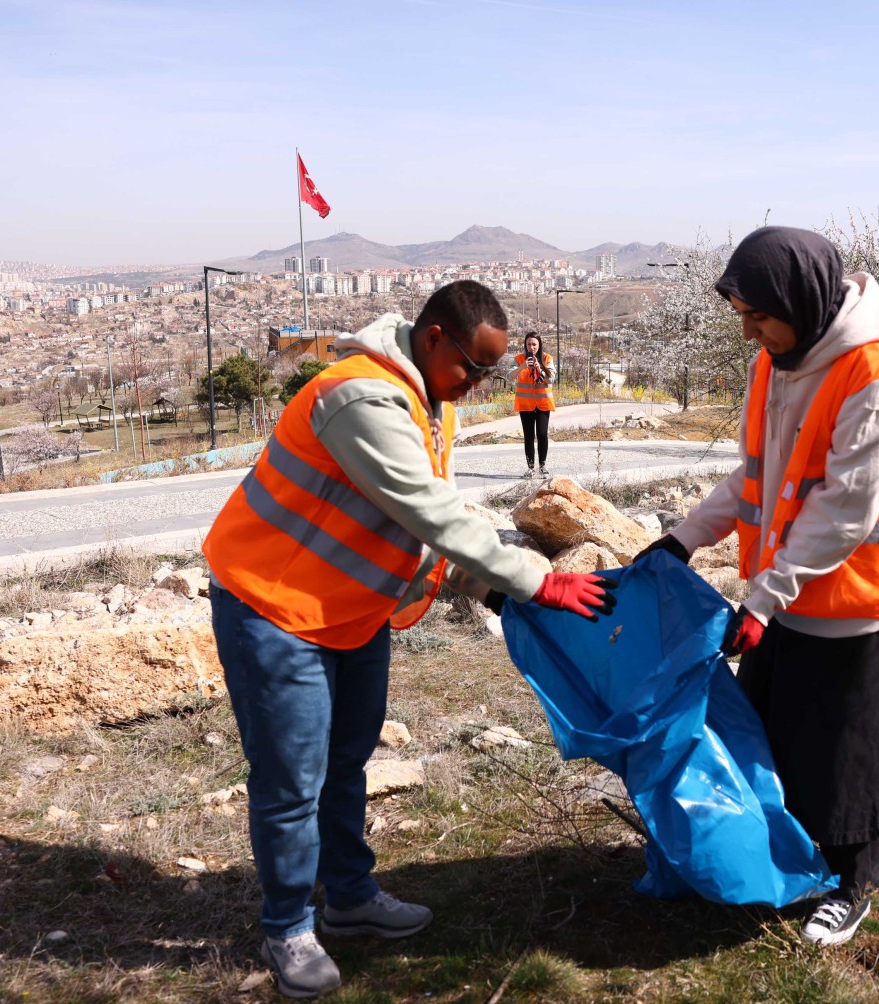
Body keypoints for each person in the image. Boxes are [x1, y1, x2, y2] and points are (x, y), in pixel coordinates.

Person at [203, 280, 616, 998]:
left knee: (346, 760)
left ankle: (351, 899)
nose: (481, 384)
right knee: (292, 779)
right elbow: (430, 512)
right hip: (274, 607)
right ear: (433, 341)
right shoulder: (359, 398)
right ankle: (289, 925)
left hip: (350, 610)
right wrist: (534, 579)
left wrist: (481, 586)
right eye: (473, 368)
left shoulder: (424, 398)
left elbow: (418, 520)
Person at [636, 227, 879, 947]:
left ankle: (854, 881)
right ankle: (792, 864)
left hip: (855, 600)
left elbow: (845, 510)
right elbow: (757, 475)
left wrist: (764, 597)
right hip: (786, 596)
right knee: (781, 741)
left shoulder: (875, 375)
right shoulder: (777, 360)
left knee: (848, 756)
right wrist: (686, 537)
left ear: (801, 299)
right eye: (742, 317)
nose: (748, 333)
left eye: (757, 316)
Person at [513, 331, 555, 477]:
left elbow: (552, 378)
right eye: (529, 344)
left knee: (542, 434)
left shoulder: (547, 358)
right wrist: (523, 366)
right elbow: (509, 376)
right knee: (529, 436)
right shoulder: (519, 359)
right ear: (525, 345)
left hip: (543, 403)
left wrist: (541, 367)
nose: (531, 347)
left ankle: (542, 466)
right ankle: (531, 468)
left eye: (534, 344)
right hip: (526, 404)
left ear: (539, 345)